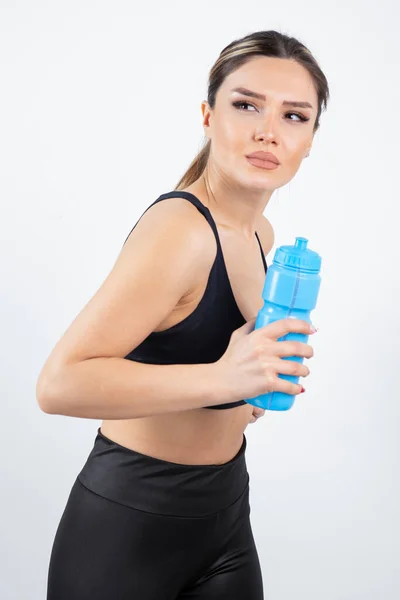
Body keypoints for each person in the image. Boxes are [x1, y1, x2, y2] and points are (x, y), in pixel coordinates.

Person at [37, 29, 329, 600]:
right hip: (128, 525)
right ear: (208, 115)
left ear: (311, 138)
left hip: (225, 511)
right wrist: (225, 377)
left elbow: (208, 367)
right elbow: (59, 385)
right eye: (246, 105)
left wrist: (249, 393)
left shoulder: (262, 234)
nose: (268, 130)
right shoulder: (180, 230)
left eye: (295, 116)